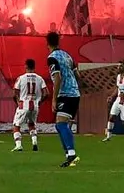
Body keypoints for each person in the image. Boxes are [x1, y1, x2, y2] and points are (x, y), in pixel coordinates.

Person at [47, 30, 82, 167]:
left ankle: (72, 154)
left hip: (66, 94)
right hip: (75, 93)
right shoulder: (67, 56)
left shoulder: (52, 58)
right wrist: (80, 87)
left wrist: (54, 99)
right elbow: (77, 74)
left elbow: (57, 78)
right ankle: (69, 155)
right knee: (60, 124)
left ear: (47, 43)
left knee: (61, 124)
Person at [11, 58, 46, 152]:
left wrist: (18, 102)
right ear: (34, 66)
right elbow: (46, 93)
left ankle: (18, 145)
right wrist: (39, 101)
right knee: (31, 124)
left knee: (16, 125)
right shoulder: (40, 78)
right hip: (35, 105)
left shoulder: (21, 78)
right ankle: (34, 142)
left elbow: (14, 94)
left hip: (23, 105)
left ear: (26, 66)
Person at [104, 62, 124, 142]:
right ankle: (108, 136)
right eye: (118, 66)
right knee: (111, 117)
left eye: (121, 66)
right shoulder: (118, 76)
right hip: (118, 100)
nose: (118, 68)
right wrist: (111, 96)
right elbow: (117, 88)